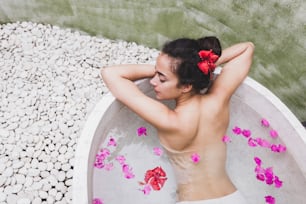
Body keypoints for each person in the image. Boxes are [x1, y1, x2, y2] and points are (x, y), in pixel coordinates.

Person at [101, 36, 254, 204]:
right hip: (233, 198)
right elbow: (247, 48)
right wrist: (200, 67)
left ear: (186, 86)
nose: (153, 81)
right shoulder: (219, 98)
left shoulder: (169, 121)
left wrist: (187, 69)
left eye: (161, 78)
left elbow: (110, 74)